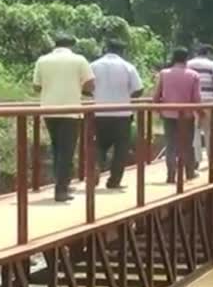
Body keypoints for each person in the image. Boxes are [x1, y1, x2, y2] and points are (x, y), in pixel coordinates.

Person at [33, 34, 95, 202]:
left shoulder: (42, 60)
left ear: (55, 45)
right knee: (66, 152)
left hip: (49, 110)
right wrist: (78, 88)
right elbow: (91, 84)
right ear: (71, 45)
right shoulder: (79, 60)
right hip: (70, 110)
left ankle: (61, 184)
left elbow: (37, 86)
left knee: (57, 148)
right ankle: (61, 190)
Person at [91, 39, 144, 189]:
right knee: (121, 148)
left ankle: (97, 165)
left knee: (100, 145)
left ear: (106, 49)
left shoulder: (94, 65)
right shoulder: (128, 67)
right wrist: (126, 96)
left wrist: (97, 94)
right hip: (122, 114)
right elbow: (139, 89)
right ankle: (114, 181)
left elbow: (85, 86)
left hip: (99, 113)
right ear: (122, 51)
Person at [153, 48, 201, 183]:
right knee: (187, 144)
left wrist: (157, 109)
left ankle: (171, 174)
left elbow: (156, 95)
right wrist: (201, 113)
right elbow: (196, 98)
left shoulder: (164, 73)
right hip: (186, 114)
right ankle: (189, 172)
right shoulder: (193, 75)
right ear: (186, 58)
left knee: (170, 144)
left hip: (168, 114)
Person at [188, 45, 213, 167]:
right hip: (209, 101)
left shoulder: (188, 64)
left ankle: (195, 158)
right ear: (208, 53)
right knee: (210, 130)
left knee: (194, 130)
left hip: (192, 102)